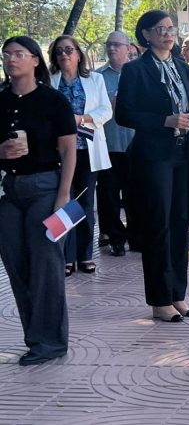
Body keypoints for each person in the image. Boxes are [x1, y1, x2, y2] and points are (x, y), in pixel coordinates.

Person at [115, 9, 189, 323]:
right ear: (146, 35)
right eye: (159, 29)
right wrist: (165, 120)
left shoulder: (183, 68)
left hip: (182, 153)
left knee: (181, 225)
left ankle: (178, 293)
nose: (167, 33)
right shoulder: (135, 70)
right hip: (153, 155)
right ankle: (160, 299)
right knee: (158, 225)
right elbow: (125, 114)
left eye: (170, 27)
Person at [0, 36, 77, 366]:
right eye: (6, 55)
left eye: (19, 54)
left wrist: (63, 197)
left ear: (35, 60)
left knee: (46, 266)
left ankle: (50, 341)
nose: (11, 60)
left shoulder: (52, 100)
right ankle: (35, 337)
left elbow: (69, 149)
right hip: (10, 189)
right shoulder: (0, 101)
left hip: (46, 188)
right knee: (16, 263)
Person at [48, 35, 113, 276]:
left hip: (87, 148)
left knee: (84, 202)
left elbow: (106, 110)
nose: (64, 54)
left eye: (69, 50)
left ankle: (85, 255)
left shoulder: (94, 79)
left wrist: (81, 119)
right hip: (58, 151)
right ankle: (67, 256)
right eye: (59, 51)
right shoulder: (49, 81)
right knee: (63, 201)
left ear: (78, 54)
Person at [96, 31, 138, 257]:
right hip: (109, 145)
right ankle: (116, 238)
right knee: (108, 196)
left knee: (136, 195)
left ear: (128, 48)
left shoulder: (139, 73)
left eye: (116, 45)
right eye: (108, 44)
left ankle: (136, 236)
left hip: (136, 146)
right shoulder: (97, 77)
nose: (112, 49)